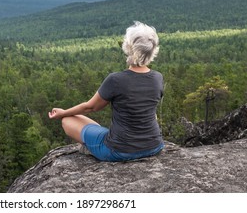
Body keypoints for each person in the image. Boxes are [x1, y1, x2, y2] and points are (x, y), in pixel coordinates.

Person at [48, 21, 164, 162]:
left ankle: (92, 148)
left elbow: (90, 107)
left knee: (68, 121)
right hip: (154, 147)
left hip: (119, 151)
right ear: (152, 50)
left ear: (128, 47)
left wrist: (62, 113)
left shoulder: (116, 80)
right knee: (90, 125)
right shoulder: (157, 78)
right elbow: (152, 112)